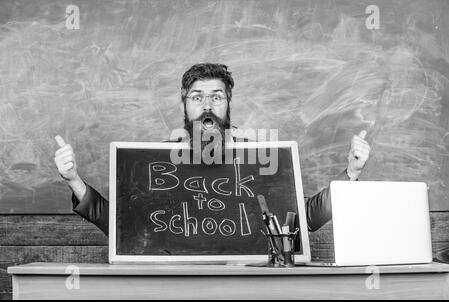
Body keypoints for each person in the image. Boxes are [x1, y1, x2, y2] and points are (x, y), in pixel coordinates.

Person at [54, 63, 371, 236]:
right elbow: (122, 224)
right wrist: (73, 180)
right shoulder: (155, 161)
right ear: (185, 104)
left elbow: (304, 219)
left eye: (216, 97)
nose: (207, 106)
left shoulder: (262, 159)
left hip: (250, 286)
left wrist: (352, 173)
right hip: (174, 284)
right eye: (197, 97)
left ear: (228, 103)